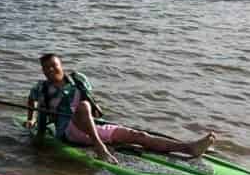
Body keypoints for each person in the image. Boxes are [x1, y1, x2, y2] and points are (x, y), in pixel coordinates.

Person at [25, 53, 215, 164]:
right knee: (82, 107)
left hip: (91, 126)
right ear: (42, 71)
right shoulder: (41, 88)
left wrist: (95, 107)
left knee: (137, 135)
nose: (50, 71)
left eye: (54, 66)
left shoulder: (78, 79)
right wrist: (32, 119)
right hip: (67, 131)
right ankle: (100, 148)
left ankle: (190, 148)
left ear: (61, 65)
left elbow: (90, 102)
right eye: (46, 68)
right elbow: (31, 100)